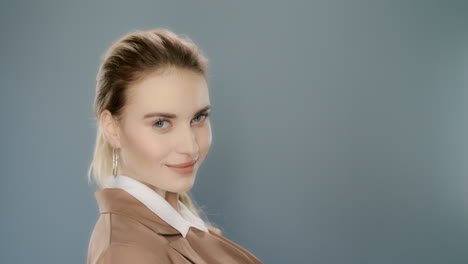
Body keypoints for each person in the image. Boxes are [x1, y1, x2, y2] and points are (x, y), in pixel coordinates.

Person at [86, 28, 263, 264]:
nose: (190, 147)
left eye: (198, 118)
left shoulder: (178, 226)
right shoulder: (128, 253)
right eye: (161, 123)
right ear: (112, 128)